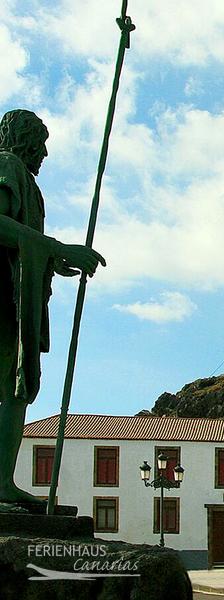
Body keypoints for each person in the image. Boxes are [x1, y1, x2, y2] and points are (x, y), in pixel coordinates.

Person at [0, 109, 105, 504]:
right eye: (41, 143)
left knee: (16, 388)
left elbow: (22, 240)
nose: (44, 153)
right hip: (4, 300)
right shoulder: (7, 165)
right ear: (24, 140)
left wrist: (51, 259)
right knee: (13, 388)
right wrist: (56, 247)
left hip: (15, 299)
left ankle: (2, 484)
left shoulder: (24, 181)